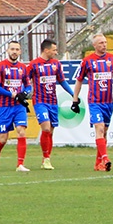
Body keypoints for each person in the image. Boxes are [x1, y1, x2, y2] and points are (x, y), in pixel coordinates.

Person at [72, 33, 113, 171]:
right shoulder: (87, 61)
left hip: (108, 102)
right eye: (101, 43)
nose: (104, 45)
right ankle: (105, 158)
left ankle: (98, 164)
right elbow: (79, 80)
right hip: (95, 102)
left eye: (105, 42)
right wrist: (75, 99)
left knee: (104, 133)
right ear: (94, 45)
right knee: (99, 128)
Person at [26, 38, 76, 170]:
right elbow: (25, 80)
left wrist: (73, 94)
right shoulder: (34, 65)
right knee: (46, 128)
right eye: (54, 50)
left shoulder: (56, 64)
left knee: (50, 132)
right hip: (40, 101)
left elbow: (62, 81)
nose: (56, 52)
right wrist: (24, 92)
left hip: (53, 102)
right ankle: (46, 158)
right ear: (46, 50)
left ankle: (46, 159)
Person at [0, 40, 31, 172]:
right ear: (7, 50)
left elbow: (29, 85)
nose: (14, 51)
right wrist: (12, 95)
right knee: (2, 139)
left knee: (21, 130)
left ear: (20, 51)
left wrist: (24, 93)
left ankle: (20, 164)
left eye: (17, 49)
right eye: (12, 49)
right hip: (4, 107)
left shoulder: (23, 68)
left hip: (18, 107)